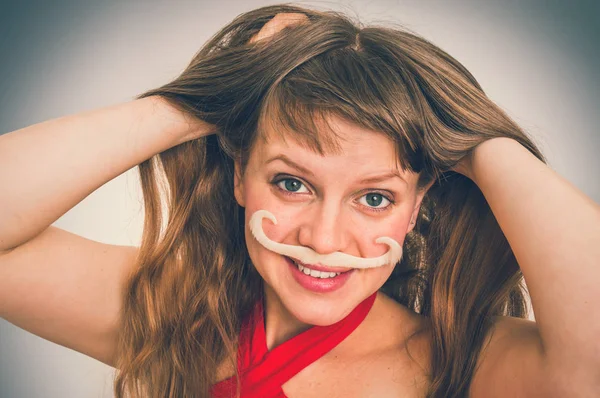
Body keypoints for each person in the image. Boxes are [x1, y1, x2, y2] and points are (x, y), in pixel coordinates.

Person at [0, 3, 598, 398]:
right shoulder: (171, 308)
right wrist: (208, 98)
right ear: (240, 177)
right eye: (292, 184)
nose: (324, 238)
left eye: (374, 197)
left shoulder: (465, 365)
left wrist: (474, 139)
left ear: (418, 206)